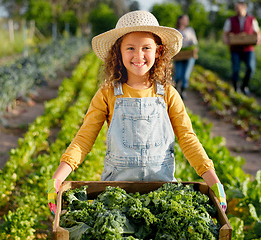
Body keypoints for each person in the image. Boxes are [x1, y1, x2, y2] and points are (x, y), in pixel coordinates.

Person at [48, 10, 226, 213]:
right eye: (130, 48)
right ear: (119, 52)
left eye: (146, 48)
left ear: (158, 52)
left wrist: (214, 181)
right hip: (116, 192)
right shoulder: (107, 93)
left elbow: (187, 138)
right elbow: (84, 138)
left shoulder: (168, 94)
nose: (138, 55)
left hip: (162, 192)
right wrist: (58, 177)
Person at [222, 1, 261, 96]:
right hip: (235, 49)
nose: (236, 9)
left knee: (250, 68)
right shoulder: (230, 20)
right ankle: (236, 88)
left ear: (244, 8)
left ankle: (244, 86)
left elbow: (258, 33)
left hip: (248, 49)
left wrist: (258, 39)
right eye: (236, 8)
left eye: (238, 8)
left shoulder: (252, 19)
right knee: (235, 70)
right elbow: (225, 33)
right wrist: (226, 40)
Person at [173, 14, 198, 99]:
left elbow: (194, 42)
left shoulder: (190, 30)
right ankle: (175, 91)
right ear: (179, 20)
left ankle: (183, 91)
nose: (185, 21)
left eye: (186, 19)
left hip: (189, 55)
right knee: (178, 74)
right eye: (183, 19)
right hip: (179, 55)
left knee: (186, 75)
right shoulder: (175, 31)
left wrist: (194, 48)